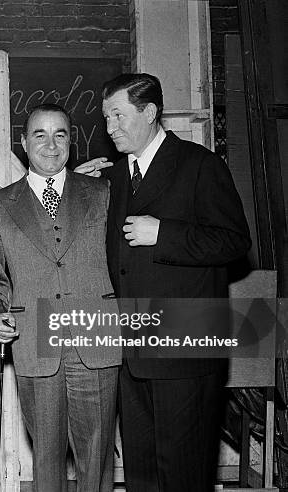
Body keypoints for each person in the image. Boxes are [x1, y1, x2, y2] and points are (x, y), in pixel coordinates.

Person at [95, 73, 251, 491]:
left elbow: (235, 241)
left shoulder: (200, 165)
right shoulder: (112, 179)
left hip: (187, 343)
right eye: (106, 117)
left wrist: (163, 233)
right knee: (142, 471)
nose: (110, 128)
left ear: (149, 112)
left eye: (118, 116)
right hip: (133, 346)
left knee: (183, 470)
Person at [0, 103, 121, 492]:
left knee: (98, 457)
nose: (51, 144)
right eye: (40, 134)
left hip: (97, 336)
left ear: (71, 142)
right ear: (23, 143)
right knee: (46, 458)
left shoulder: (102, 192)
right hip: (35, 339)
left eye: (60, 134)